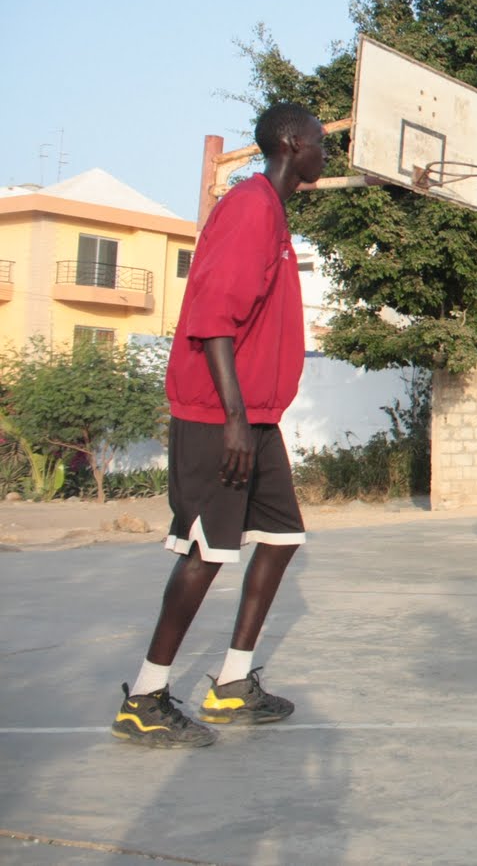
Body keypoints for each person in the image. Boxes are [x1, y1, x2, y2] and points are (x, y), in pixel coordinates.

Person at [112, 102, 327, 747]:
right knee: (205, 551)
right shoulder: (250, 207)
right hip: (220, 418)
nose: (326, 150)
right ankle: (145, 697)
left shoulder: (274, 212)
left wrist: (251, 418)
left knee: (282, 537)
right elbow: (210, 319)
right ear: (293, 142)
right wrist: (233, 419)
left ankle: (232, 684)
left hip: (255, 419)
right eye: (320, 139)